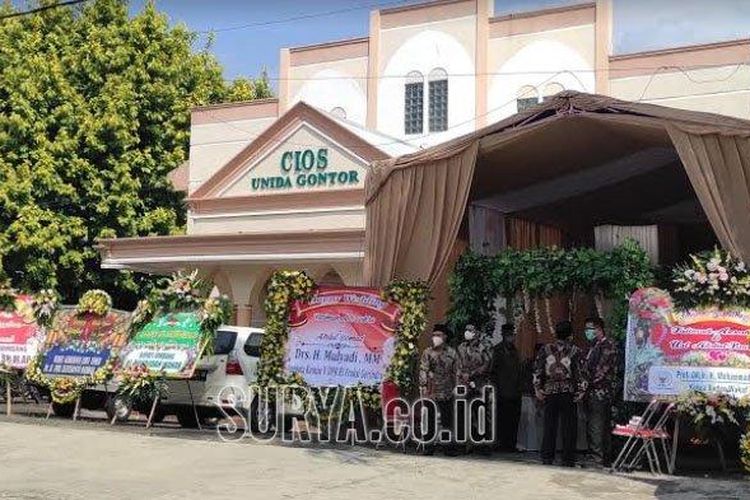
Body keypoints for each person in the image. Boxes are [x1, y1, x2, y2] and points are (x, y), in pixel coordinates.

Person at [533, 320, 584, 466]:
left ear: (556, 333)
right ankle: (568, 458)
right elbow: (580, 373)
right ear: (570, 335)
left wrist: (537, 388)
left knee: (549, 425)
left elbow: (537, 370)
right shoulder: (575, 351)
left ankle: (547, 456)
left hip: (550, 392)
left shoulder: (545, 349)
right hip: (568, 392)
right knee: (569, 427)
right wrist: (581, 391)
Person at [582, 316, 618, 466]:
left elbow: (600, 371)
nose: (587, 332)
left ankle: (597, 457)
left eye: (589, 329)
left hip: (600, 392)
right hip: (592, 392)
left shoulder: (607, 346)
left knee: (597, 425)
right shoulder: (594, 347)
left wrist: (584, 384)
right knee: (595, 425)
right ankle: (599, 457)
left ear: (598, 329)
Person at [418, 324, 458, 455]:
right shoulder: (428, 352)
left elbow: (456, 371)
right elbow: (423, 369)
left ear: (445, 337)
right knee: (430, 420)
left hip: (447, 391)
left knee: (448, 421)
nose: (435, 338)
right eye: (434, 335)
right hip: (431, 391)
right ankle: (429, 447)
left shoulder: (452, 353)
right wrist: (423, 386)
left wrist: (456, 387)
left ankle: (448, 448)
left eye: (438, 335)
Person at [456, 324, 492, 452]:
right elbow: (458, 364)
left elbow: (487, 365)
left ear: (476, 332)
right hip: (465, 385)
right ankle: (465, 444)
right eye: (466, 330)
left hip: (480, 385)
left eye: (470, 330)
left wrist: (472, 374)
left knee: (482, 413)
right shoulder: (461, 347)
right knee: (463, 414)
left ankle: (484, 444)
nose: (468, 333)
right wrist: (462, 375)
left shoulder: (484, 347)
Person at [491, 323, 522, 452]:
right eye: (509, 335)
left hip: (515, 391)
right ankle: (500, 444)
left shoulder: (515, 351)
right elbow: (492, 371)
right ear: (503, 335)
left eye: (513, 335)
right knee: (501, 419)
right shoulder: (497, 350)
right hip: (501, 391)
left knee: (513, 420)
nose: (512, 338)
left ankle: (511, 445)